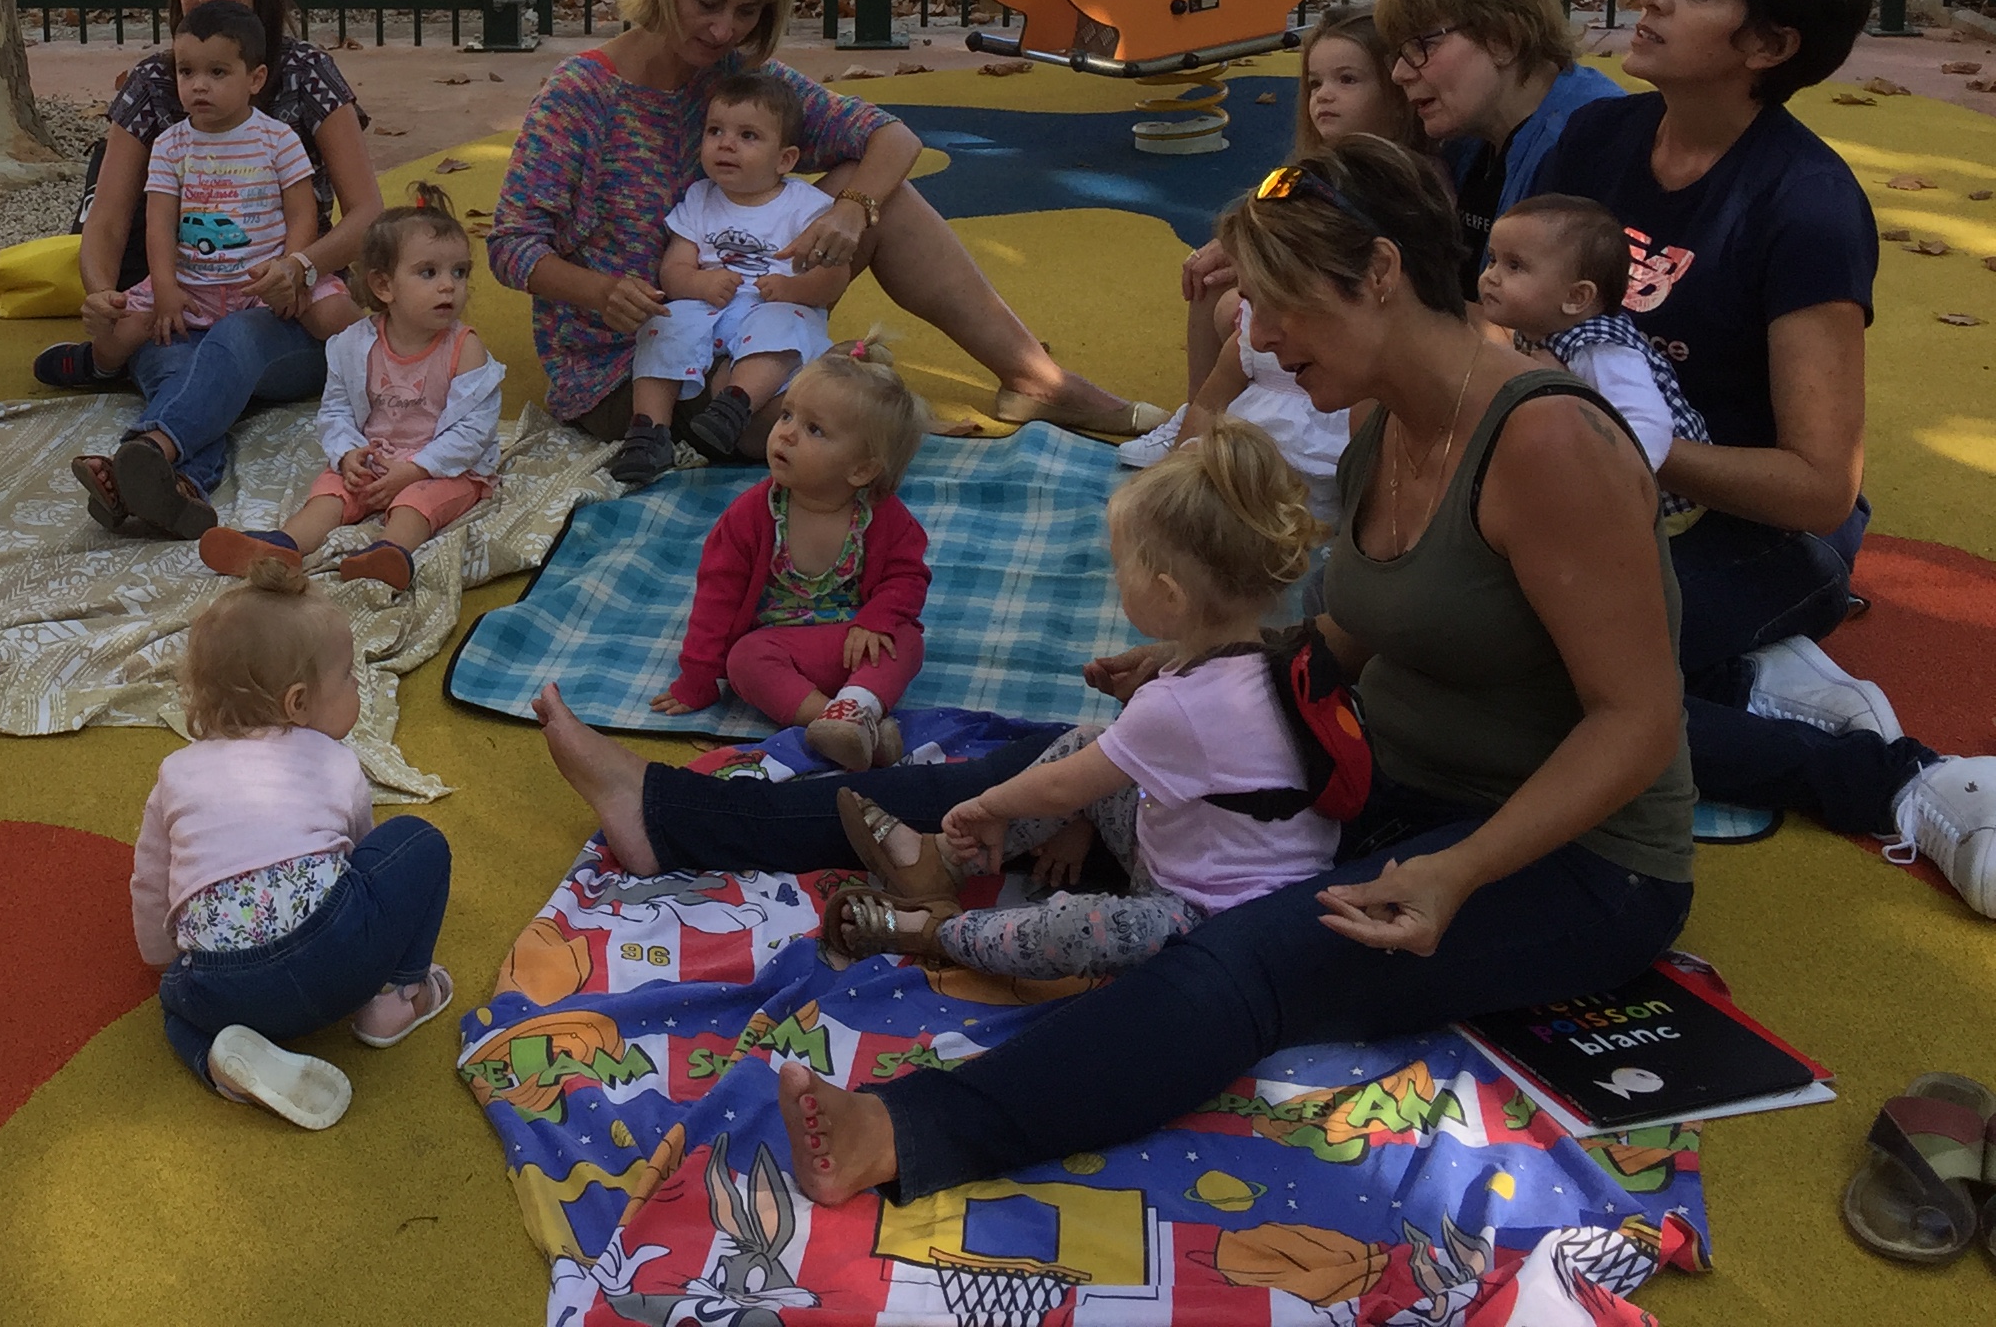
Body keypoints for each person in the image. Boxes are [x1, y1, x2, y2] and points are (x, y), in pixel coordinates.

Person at [535, 134, 1698, 1210]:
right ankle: (673, 818)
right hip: (1378, 776)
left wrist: (1457, 874)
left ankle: (903, 1130)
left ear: (1382, 274)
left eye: (1278, 304)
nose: (1259, 338)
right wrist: (1208, 667)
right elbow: (1358, 630)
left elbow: (1638, 722)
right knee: (1049, 766)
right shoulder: (1381, 418)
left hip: (1571, 861)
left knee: (1250, 960)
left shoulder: (1548, 439)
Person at [1536, 0, 1993, 914]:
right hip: (1595, 493)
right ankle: (1752, 684)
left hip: (1763, 537)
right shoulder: (1598, 140)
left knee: (1534, 678)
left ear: (1770, 45)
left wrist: (1626, 442)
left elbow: (1820, 486)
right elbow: (1516, 317)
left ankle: (1904, 782)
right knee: (1421, 617)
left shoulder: (1805, 203)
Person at [488, 0, 1148, 486]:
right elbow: (511, 244)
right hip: (633, 361)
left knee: (879, 194)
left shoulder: (734, 73)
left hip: (751, 316)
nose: (724, 30)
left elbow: (893, 138)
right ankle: (850, 411)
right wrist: (600, 291)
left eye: (747, 12)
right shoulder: (581, 94)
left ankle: (1035, 381)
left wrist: (852, 212)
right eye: (707, 4)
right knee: (832, 428)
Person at [822, 421, 1338, 981]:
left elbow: (1062, 787)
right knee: (1088, 743)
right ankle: (942, 863)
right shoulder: (1275, 657)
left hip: (1214, 918)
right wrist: (1082, 817)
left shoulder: (1179, 704)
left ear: (1169, 595)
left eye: (1122, 565)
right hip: (1210, 859)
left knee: (1079, 927)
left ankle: (939, 930)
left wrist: (986, 807)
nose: (1115, 577)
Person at [48, 0, 380, 532]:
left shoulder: (304, 72)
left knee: (232, 343)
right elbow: (109, 216)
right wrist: (100, 294)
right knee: (180, 367)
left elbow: (368, 214)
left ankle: (141, 451)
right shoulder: (156, 81)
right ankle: (174, 487)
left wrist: (299, 268)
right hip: (181, 301)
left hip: (279, 307)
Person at [132, 559, 456, 1130]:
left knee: (173, 1011)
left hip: (222, 985)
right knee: (420, 841)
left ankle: (220, 1065)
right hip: (337, 959)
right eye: (349, 676)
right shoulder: (334, 759)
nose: (358, 685)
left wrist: (160, 959)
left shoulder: (175, 770)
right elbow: (364, 857)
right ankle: (396, 998)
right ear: (298, 703)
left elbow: (150, 878)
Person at [1127, 5, 1426, 518]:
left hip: (1341, 331)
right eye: (1315, 83)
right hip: (1289, 322)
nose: (1324, 95)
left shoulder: (1404, 184)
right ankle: (1191, 420)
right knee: (1213, 282)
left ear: (1396, 91)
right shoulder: (1305, 173)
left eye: (1347, 80)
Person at [199, 190, 502, 596]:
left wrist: (416, 469)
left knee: (416, 504)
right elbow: (336, 410)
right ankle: (281, 546)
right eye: (429, 273)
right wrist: (348, 454)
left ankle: (389, 552)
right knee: (330, 494)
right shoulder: (354, 345)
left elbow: (474, 430)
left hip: (444, 466)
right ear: (383, 285)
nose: (449, 286)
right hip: (374, 459)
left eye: (460, 272)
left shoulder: (465, 349)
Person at [651, 340, 933, 774]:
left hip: (852, 639)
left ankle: (856, 707)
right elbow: (716, 600)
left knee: (906, 639)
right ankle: (839, 724)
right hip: (780, 645)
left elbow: (907, 577)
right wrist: (698, 677)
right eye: (786, 415)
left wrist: (876, 620)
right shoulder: (751, 515)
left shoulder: (882, 517)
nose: (785, 433)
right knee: (744, 660)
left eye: (814, 429)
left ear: (861, 470)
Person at [627, 70, 852, 475]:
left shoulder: (806, 206)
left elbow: (834, 277)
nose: (726, 144)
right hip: (708, 307)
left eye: (748, 136)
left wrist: (793, 288)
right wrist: (699, 282)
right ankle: (648, 432)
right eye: (715, 131)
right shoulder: (700, 198)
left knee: (782, 328)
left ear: (784, 159)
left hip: (772, 305)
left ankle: (734, 406)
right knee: (661, 324)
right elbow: (674, 268)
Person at [81, 2, 319, 376]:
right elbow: (159, 225)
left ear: (255, 79)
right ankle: (90, 368)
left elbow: (303, 214)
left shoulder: (279, 139)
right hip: (190, 284)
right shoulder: (169, 145)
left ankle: (382, 365)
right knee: (115, 338)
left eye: (217, 72)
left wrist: (291, 269)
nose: (199, 85)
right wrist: (165, 289)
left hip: (261, 283)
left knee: (335, 313)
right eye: (186, 71)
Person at [1375, 0, 1619, 276]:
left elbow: (1540, 307)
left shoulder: (1592, 143)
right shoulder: (1470, 137)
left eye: (1422, 45)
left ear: (1504, 39)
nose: (1399, 73)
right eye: (1399, 53)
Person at [1475, 193, 1710, 524]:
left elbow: (1648, 424)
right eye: (1492, 259)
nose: (1491, 276)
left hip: (1659, 503)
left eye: (1515, 266)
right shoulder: (1543, 330)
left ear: (1576, 297)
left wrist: (1605, 485)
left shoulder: (1600, 349)